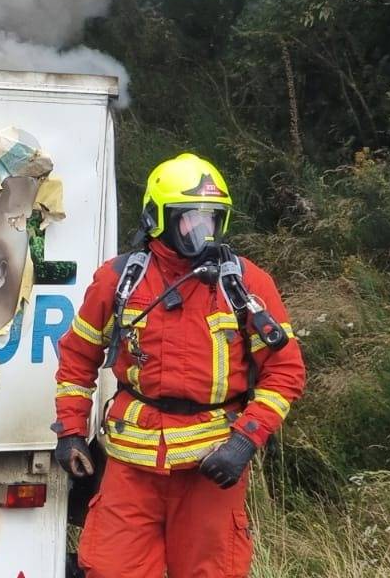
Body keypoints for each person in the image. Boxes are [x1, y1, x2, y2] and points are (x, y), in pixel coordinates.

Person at [53, 153, 307, 578]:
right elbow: (78, 356)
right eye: (190, 219)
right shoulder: (119, 281)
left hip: (211, 468)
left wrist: (245, 441)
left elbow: (285, 372)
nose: (202, 232)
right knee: (110, 570)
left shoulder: (244, 286)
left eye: (212, 219)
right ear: (158, 219)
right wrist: (71, 431)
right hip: (132, 465)